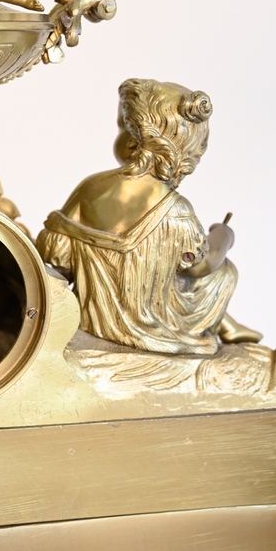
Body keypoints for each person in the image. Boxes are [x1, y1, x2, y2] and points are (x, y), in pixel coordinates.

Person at [36, 79, 261, 355]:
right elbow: (201, 267)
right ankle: (224, 327)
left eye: (122, 126)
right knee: (224, 271)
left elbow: (56, 254)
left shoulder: (90, 187)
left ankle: (229, 326)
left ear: (136, 137)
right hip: (150, 327)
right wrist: (224, 236)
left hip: (93, 320)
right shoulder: (175, 210)